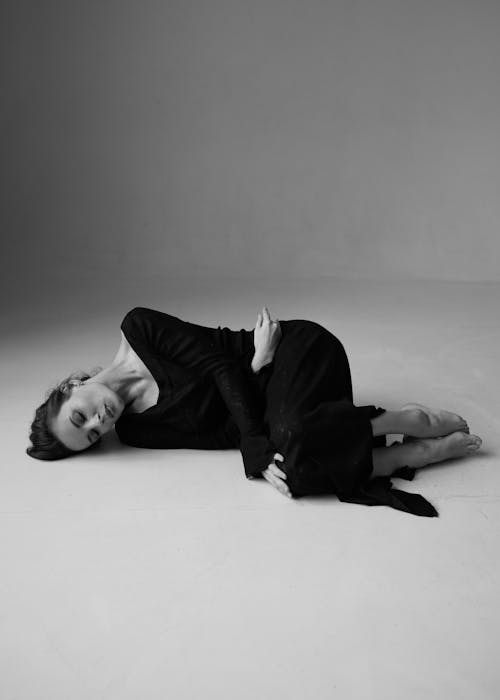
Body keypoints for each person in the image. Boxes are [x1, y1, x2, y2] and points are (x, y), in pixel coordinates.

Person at [26, 306, 482, 517]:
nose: (98, 424)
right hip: (271, 387)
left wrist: (255, 440)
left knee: (285, 438)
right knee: (291, 475)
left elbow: (220, 368)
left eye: (79, 416)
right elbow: (225, 430)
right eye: (90, 436)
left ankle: (396, 422)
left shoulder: (138, 328)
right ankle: (409, 455)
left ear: (72, 387)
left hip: (297, 351)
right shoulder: (139, 431)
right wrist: (256, 373)